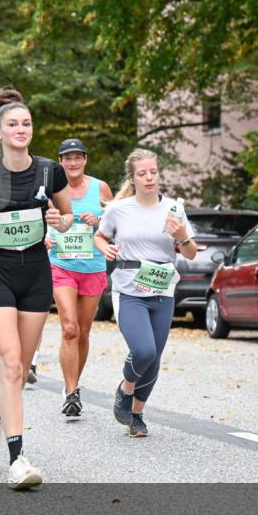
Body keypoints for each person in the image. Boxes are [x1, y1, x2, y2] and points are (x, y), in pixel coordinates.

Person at [0, 87, 74, 490]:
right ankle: (17, 460)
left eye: (26, 123)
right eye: (12, 124)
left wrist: (60, 222)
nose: (21, 129)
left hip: (36, 273)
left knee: (20, 370)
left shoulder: (50, 172)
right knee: (9, 363)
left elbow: (67, 215)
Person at [93, 148, 196, 438]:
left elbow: (190, 252)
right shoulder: (118, 209)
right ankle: (125, 388)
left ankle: (137, 414)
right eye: (142, 173)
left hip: (163, 290)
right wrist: (105, 248)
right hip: (129, 289)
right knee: (144, 350)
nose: (149, 177)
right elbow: (99, 236)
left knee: (155, 357)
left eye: (153, 172)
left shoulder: (173, 209)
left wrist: (181, 237)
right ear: (133, 178)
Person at [47, 138, 113, 418]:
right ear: (60, 162)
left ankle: (72, 383)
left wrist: (98, 222)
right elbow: (40, 220)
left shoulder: (100, 188)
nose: (73, 162)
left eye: (77, 157)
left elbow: (115, 223)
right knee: (69, 328)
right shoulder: (52, 189)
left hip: (93, 267)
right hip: (61, 265)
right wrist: (44, 239)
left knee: (84, 332)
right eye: (67, 158)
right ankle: (72, 392)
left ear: (85, 159)